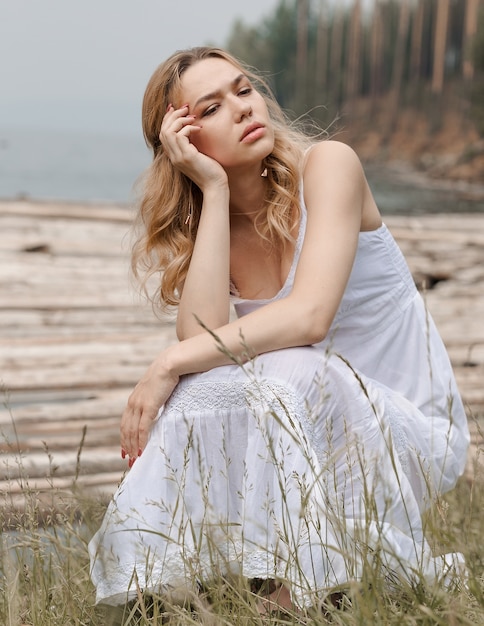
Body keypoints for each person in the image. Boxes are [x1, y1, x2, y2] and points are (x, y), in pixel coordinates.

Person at [88, 46, 469, 613]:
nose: (244, 109)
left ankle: (301, 590)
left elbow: (310, 318)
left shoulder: (330, 165)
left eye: (244, 90)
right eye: (212, 108)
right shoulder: (212, 227)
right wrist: (213, 194)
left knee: (291, 365)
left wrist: (165, 366)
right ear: (182, 145)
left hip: (404, 428)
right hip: (317, 414)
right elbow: (202, 342)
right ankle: (166, 576)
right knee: (202, 386)